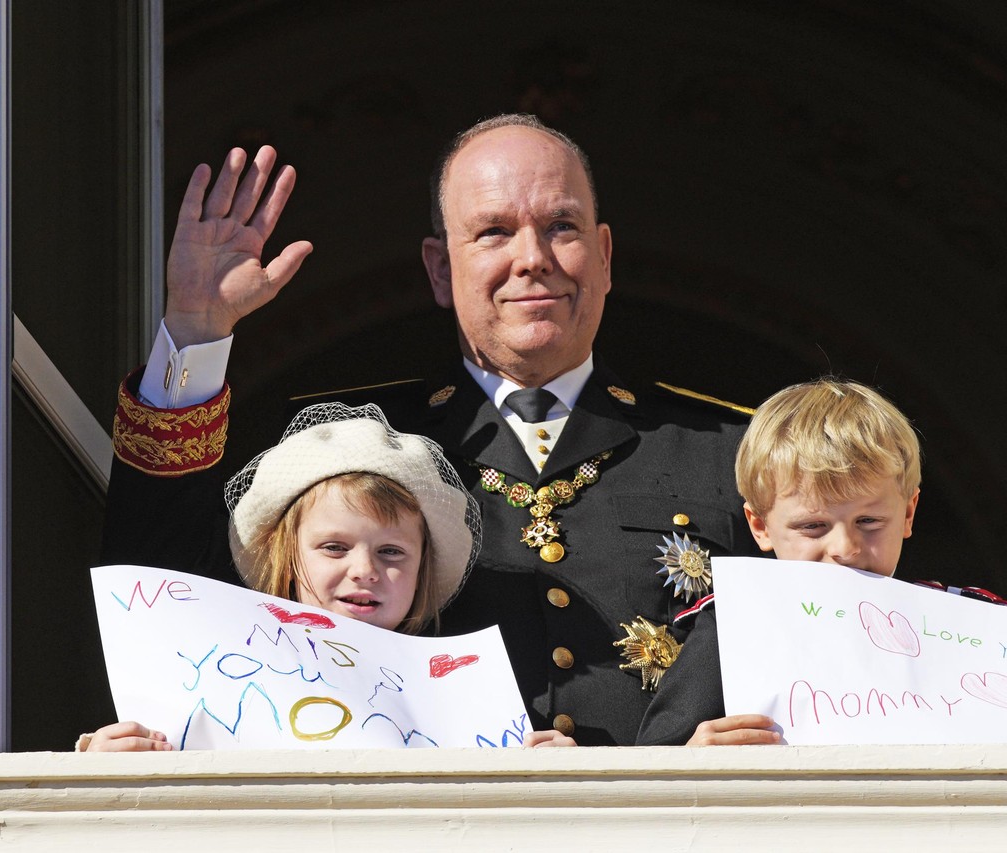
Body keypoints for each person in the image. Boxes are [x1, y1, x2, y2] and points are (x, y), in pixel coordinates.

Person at [101, 115, 757, 747]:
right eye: (494, 232)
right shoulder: (345, 444)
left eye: (561, 226)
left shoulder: (733, 450)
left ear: (604, 254)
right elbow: (167, 590)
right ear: (440, 269)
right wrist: (195, 330)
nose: (532, 258)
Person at [635, 379, 1007, 745]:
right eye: (812, 526)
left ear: (909, 512)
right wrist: (687, 759)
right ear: (759, 527)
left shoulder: (978, 620)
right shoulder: (730, 626)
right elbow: (645, 783)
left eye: (870, 522)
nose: (844, 549)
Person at [84, 402, 574, 751]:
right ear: (285, 558)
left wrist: (555, 782)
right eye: (334, 547)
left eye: (391, 551)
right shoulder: (204, 676)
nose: (364, 571)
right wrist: (105, 769)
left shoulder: (475, 702)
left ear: (423, 569)